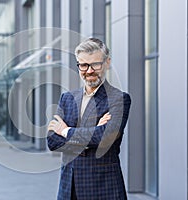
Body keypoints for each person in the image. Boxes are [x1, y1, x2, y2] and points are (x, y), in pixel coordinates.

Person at [47, 38, 131, 200]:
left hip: (102, 187)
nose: (89, 70)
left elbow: (105, 138)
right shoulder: (67, 98)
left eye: (96, 64)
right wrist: (92, 133)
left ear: (107, 63)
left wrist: (66, 131)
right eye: (83, 65)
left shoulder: (119, 99)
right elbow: (53, 142)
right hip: (68, 188)